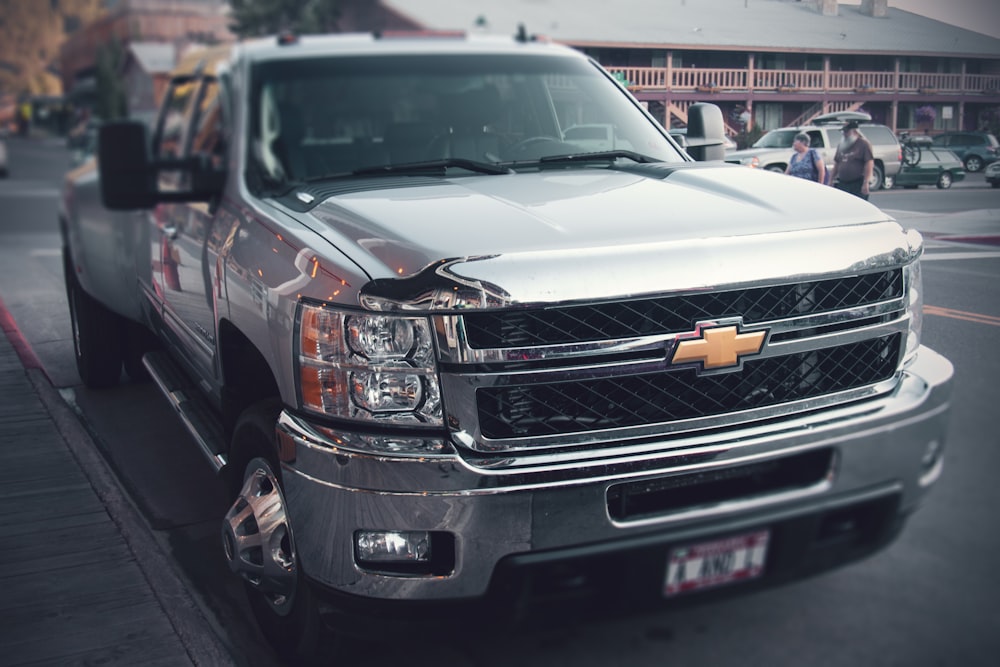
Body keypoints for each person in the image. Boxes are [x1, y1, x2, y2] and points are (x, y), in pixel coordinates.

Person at [830, 120, 874, 200]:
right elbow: (836, 163)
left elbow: (869, 163)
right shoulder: (841, 145)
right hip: (843, 183)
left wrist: (866, 182)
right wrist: (830, 180)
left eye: (846, 131)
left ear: (854, 131)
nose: (844, 134)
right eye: (843, 132)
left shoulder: (863, 144)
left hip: (857, 183)